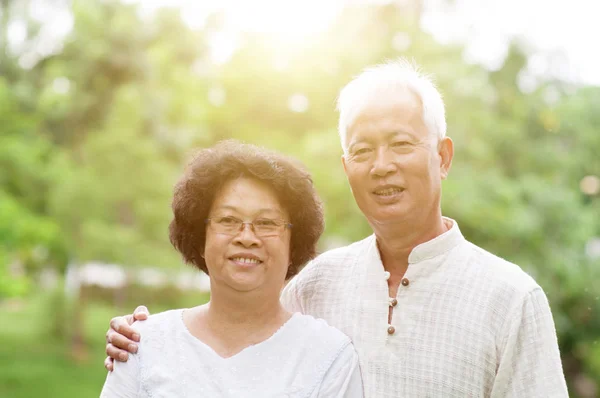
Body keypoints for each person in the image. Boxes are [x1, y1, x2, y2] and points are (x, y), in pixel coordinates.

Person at [104, 59, 569, 397]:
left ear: (443, 156)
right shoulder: (315, 283)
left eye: (401, 144)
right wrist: (139, 337)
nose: (381, 166)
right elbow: (237, 325)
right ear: (347, 167)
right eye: (362, 151)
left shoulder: (510, 299)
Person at [100, 140, 364, 397]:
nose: (247, 237)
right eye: (228, 220)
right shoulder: (141, 343)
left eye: (267, 223)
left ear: (292, 245)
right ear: (199, 238)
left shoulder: (328, 356)